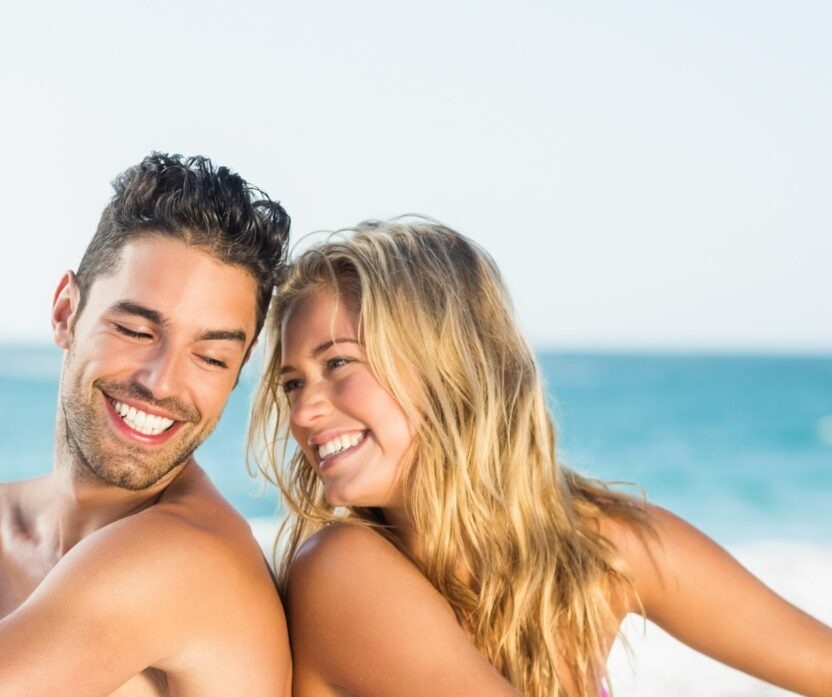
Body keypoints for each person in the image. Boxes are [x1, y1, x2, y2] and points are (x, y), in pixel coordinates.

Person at [250, 219, 832, 696]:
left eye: (339, 364)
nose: (303, 414)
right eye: (293, 384)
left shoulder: (599, 546)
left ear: (450, 366)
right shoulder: (341, 570)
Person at [0, 153, 293, 696]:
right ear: (66, 312)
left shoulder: (186, 560)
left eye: (211, 358)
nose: (162, 384)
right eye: (135, 330)